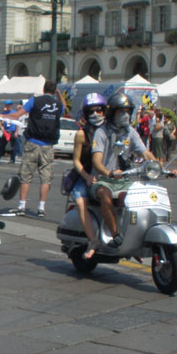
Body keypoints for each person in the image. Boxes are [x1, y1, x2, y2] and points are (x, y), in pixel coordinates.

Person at [91, 92, 158, 248]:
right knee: (105, 194)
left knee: (143, 196)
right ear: (112, 112)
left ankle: (137, 234)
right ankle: (115, 235)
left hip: (124, 181)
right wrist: (109, 173)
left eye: (127, 111)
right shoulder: (101, 132)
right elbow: (96, 161)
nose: (125, 115)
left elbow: (144, 151)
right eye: (121, 111)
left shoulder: (130, 132)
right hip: (103, 181)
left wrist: (157, 165)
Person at [1, 80, 65, 218]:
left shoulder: (35, 101)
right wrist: (59, 95)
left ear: (43, 89)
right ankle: (41, 207)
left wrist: (4, 116)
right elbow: (64, 108)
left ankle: (22, 206)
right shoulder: (58, 105)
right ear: (55, 91)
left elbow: (18, 115)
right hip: (48, 145)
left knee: (26, 176)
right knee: (45, 177)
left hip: (32, 142)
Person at [72, 93, 106, 259]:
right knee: (80, 201)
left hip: (108, 177)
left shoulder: (109, 131)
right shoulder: (81, 134)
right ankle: (93, 241)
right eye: (91, 111)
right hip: (86, 178)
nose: (95, 114)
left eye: (99, 110)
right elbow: (76, 161)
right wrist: (86, 176)